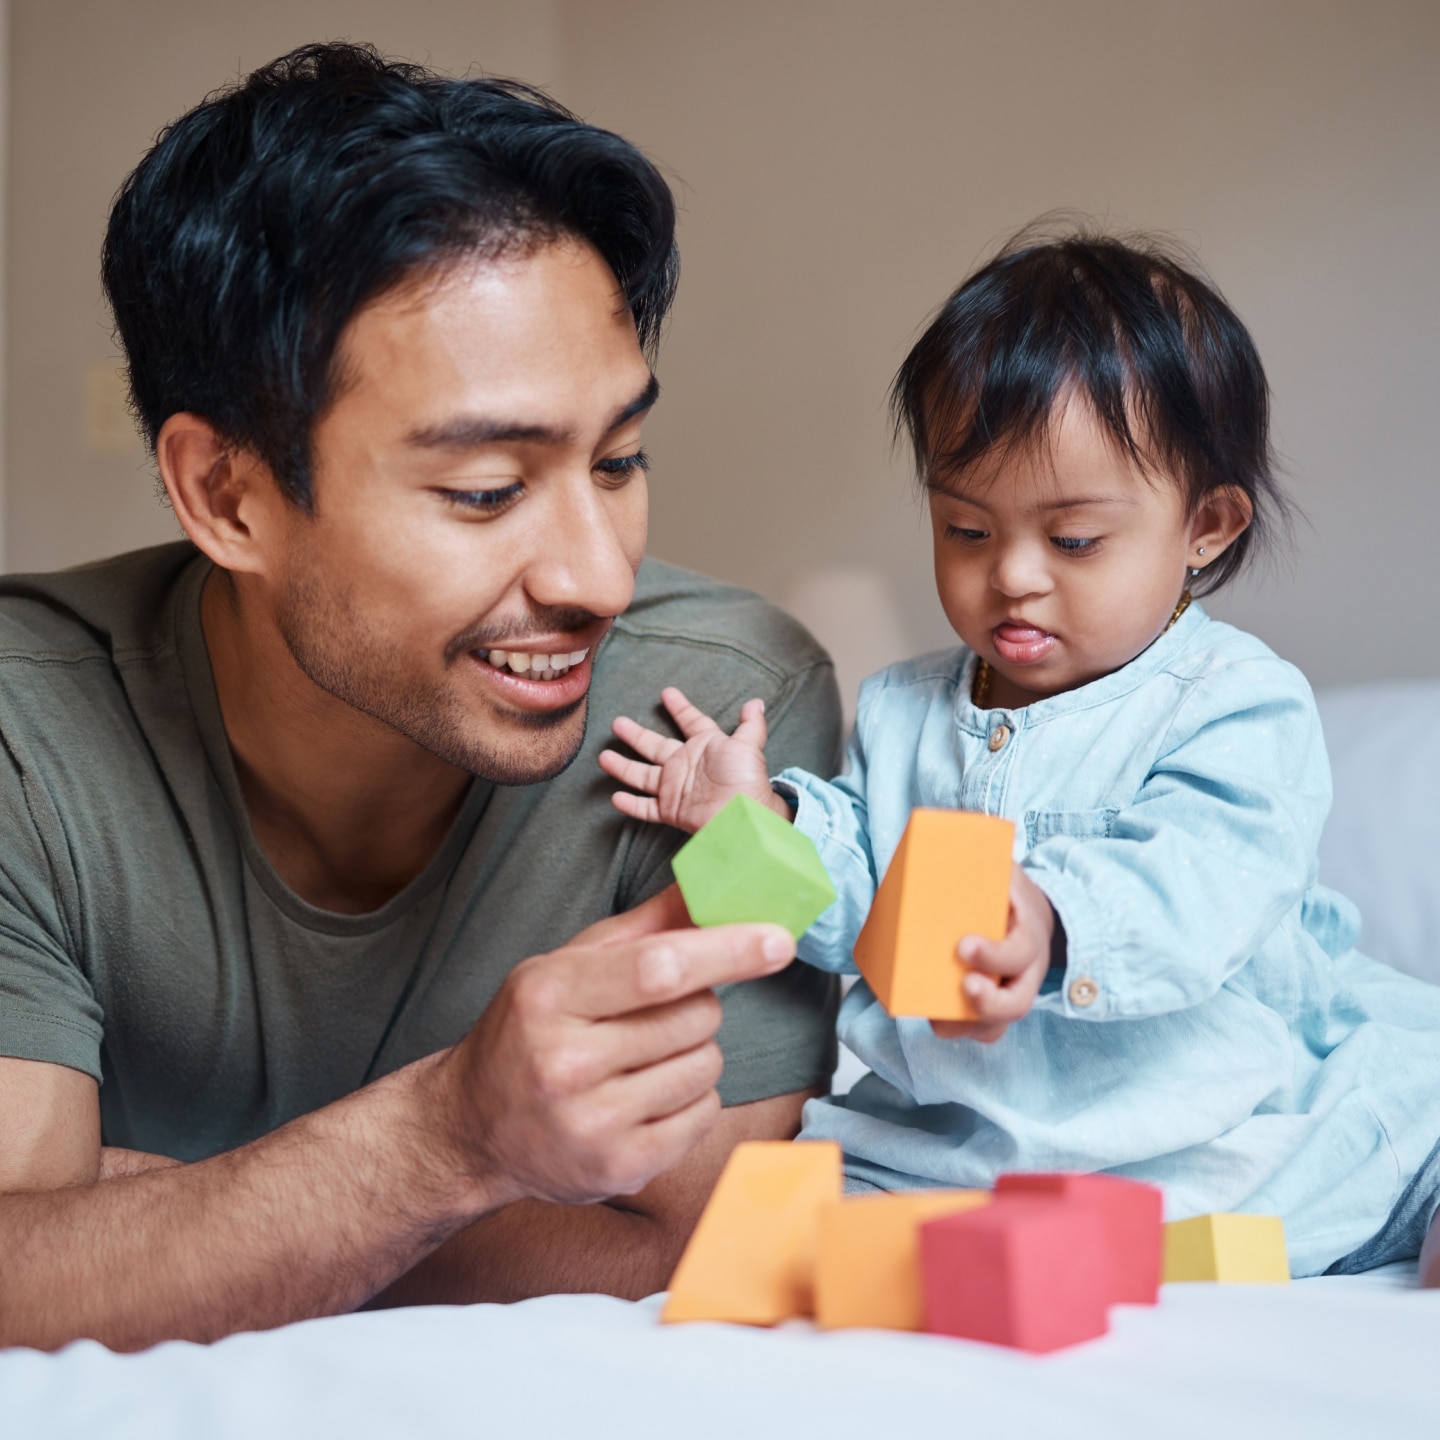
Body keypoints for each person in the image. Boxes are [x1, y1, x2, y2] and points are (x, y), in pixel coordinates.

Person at [0, 44, 842, 1351]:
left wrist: (177, 1210)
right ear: (227, 495)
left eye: (620, 459)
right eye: (488, 491)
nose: (598, 576)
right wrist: (451, 1138)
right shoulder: (22, 730)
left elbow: (707, 1250)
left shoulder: (718, 712)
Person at [601, 228, 1440, 1279]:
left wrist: (1050, 918)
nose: (1014, 578)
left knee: (1396, 1137)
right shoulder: (906, 712)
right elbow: (859, 911)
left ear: (1207, 527)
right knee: (768, 1222)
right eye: (967, 531)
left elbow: (1205, 878)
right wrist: (754, 824)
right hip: (957, 1143)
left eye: (1074, 541)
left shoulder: (1236, 704)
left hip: (1208, 1136)